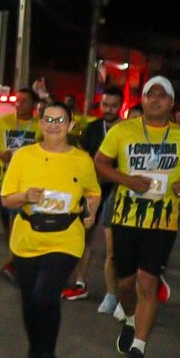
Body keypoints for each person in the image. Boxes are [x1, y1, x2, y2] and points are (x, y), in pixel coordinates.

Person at [94, 76, 180, 358]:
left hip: (163, 221)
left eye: (162, 95)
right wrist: (127, 180)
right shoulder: (123, 131)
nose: (155, 99)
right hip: (125, 218)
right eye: (150, 94)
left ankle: (138, 352)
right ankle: (131, 319)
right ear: (142, 100)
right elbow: (100, 163)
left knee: (148, 282)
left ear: (171, 103)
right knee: (125, 284)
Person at [0, 101, 100, 358]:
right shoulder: (23, 156)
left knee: (46, 295)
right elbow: (7, 198)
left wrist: (91, 211)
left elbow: (92, 191)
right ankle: (35, 348)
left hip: (66, 237)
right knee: (30, 301)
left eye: (60, 120)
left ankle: (48, 356)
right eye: (48, 119)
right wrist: (26, 197)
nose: (54, 125)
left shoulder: (82, 159)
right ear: (40, 123)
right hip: (28, 236)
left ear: (70, 125)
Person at [62, 86, 122, 303]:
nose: (109, 109)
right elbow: (85, 157)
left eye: (114, 105)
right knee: (84, 235)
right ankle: (80, 281)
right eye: (105, 104)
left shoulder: (126, 130)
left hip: (118, 190)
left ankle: (115, 291)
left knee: (113, 246)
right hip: (92, 189)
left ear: (120, 106)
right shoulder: (93, 128)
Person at [0, 87, 40, 281]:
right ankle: (13, 258)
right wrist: (0, 154)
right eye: (18, 100)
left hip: (27, 183)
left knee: (19, 221)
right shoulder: (3, 122)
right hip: (3, 180)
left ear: (33, 105)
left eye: (24, 101)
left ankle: (16, 262)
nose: (19, 104)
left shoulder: (39, 126)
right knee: (7, 222)